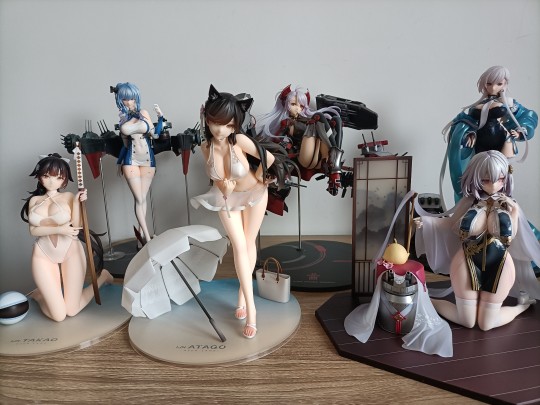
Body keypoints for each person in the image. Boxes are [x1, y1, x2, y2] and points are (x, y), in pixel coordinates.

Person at [416, 150, 540, 331]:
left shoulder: (510, 205)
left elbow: (512, 236)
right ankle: (427, 299)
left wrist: (513, 212)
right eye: (486, 180)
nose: (494, 185)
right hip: (467, 259)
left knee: (486, 324)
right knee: (467, 321)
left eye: (500, 179)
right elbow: (450, 223)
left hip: (500, 263)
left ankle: (522, 306)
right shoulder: (469, 201)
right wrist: (426, 222)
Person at [191, 84, 278, 339]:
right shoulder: (205, 147)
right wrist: (224, 186)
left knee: (248, 244)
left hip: (254, 193)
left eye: (228, 125)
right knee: (239, 247)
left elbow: (269, 159)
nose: (220, 130)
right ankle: (250, 306)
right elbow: (216, 177)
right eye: (215, 122)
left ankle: (245, 301)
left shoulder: (239, 140)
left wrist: (260, 178)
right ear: (207, 119)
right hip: (227, 199)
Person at [20, 154, 112, 322]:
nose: (51, 181)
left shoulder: (69, 197)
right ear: (39, 176)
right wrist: (60, 229)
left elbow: (76, 226)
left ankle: (103, 277)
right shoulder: (35, 200)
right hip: (43, 254)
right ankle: (39, 295)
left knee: (72, 310)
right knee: (59, 316)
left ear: (64, 180)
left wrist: (77, 202)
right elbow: (33, 231)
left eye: (58, 177)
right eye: (46, 176)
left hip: (70, 250)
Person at [443, 66, 537, 203]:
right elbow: (463, 121)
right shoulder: (477, 105)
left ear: (505, 83)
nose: (493, 87)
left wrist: (520, 130)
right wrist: (468, 133)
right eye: (489, 83)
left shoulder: (509, 104)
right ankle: (475, 205)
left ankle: (501, 204)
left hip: (501, 143)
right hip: (480, 145)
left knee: (499, 176)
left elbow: (528, 116)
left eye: (499, 84)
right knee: (478, 177)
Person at [256, 85, 344, 196]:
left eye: (301, 106)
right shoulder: (287, 123)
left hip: (319, 157)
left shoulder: (307, 120)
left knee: (336, 120)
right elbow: (279, 142)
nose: (298, 108)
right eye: (293, 104)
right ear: (286, 104)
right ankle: (335, 168)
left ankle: (334, 164)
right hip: (304, 155)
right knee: (318, 117)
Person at [111, 82, 165, 246]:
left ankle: (140, 236)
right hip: (131, 160)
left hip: (148, 160)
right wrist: (119, 162)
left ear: (136, 98)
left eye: (131, 98)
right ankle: (147, 238)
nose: (129, 102)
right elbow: (125, 144)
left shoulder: (144, 113)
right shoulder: (122, 118)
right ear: (120, 100)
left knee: (143, 198)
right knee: (139, 199)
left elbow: (156, 135)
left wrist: (160, 117)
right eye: (125, 99)